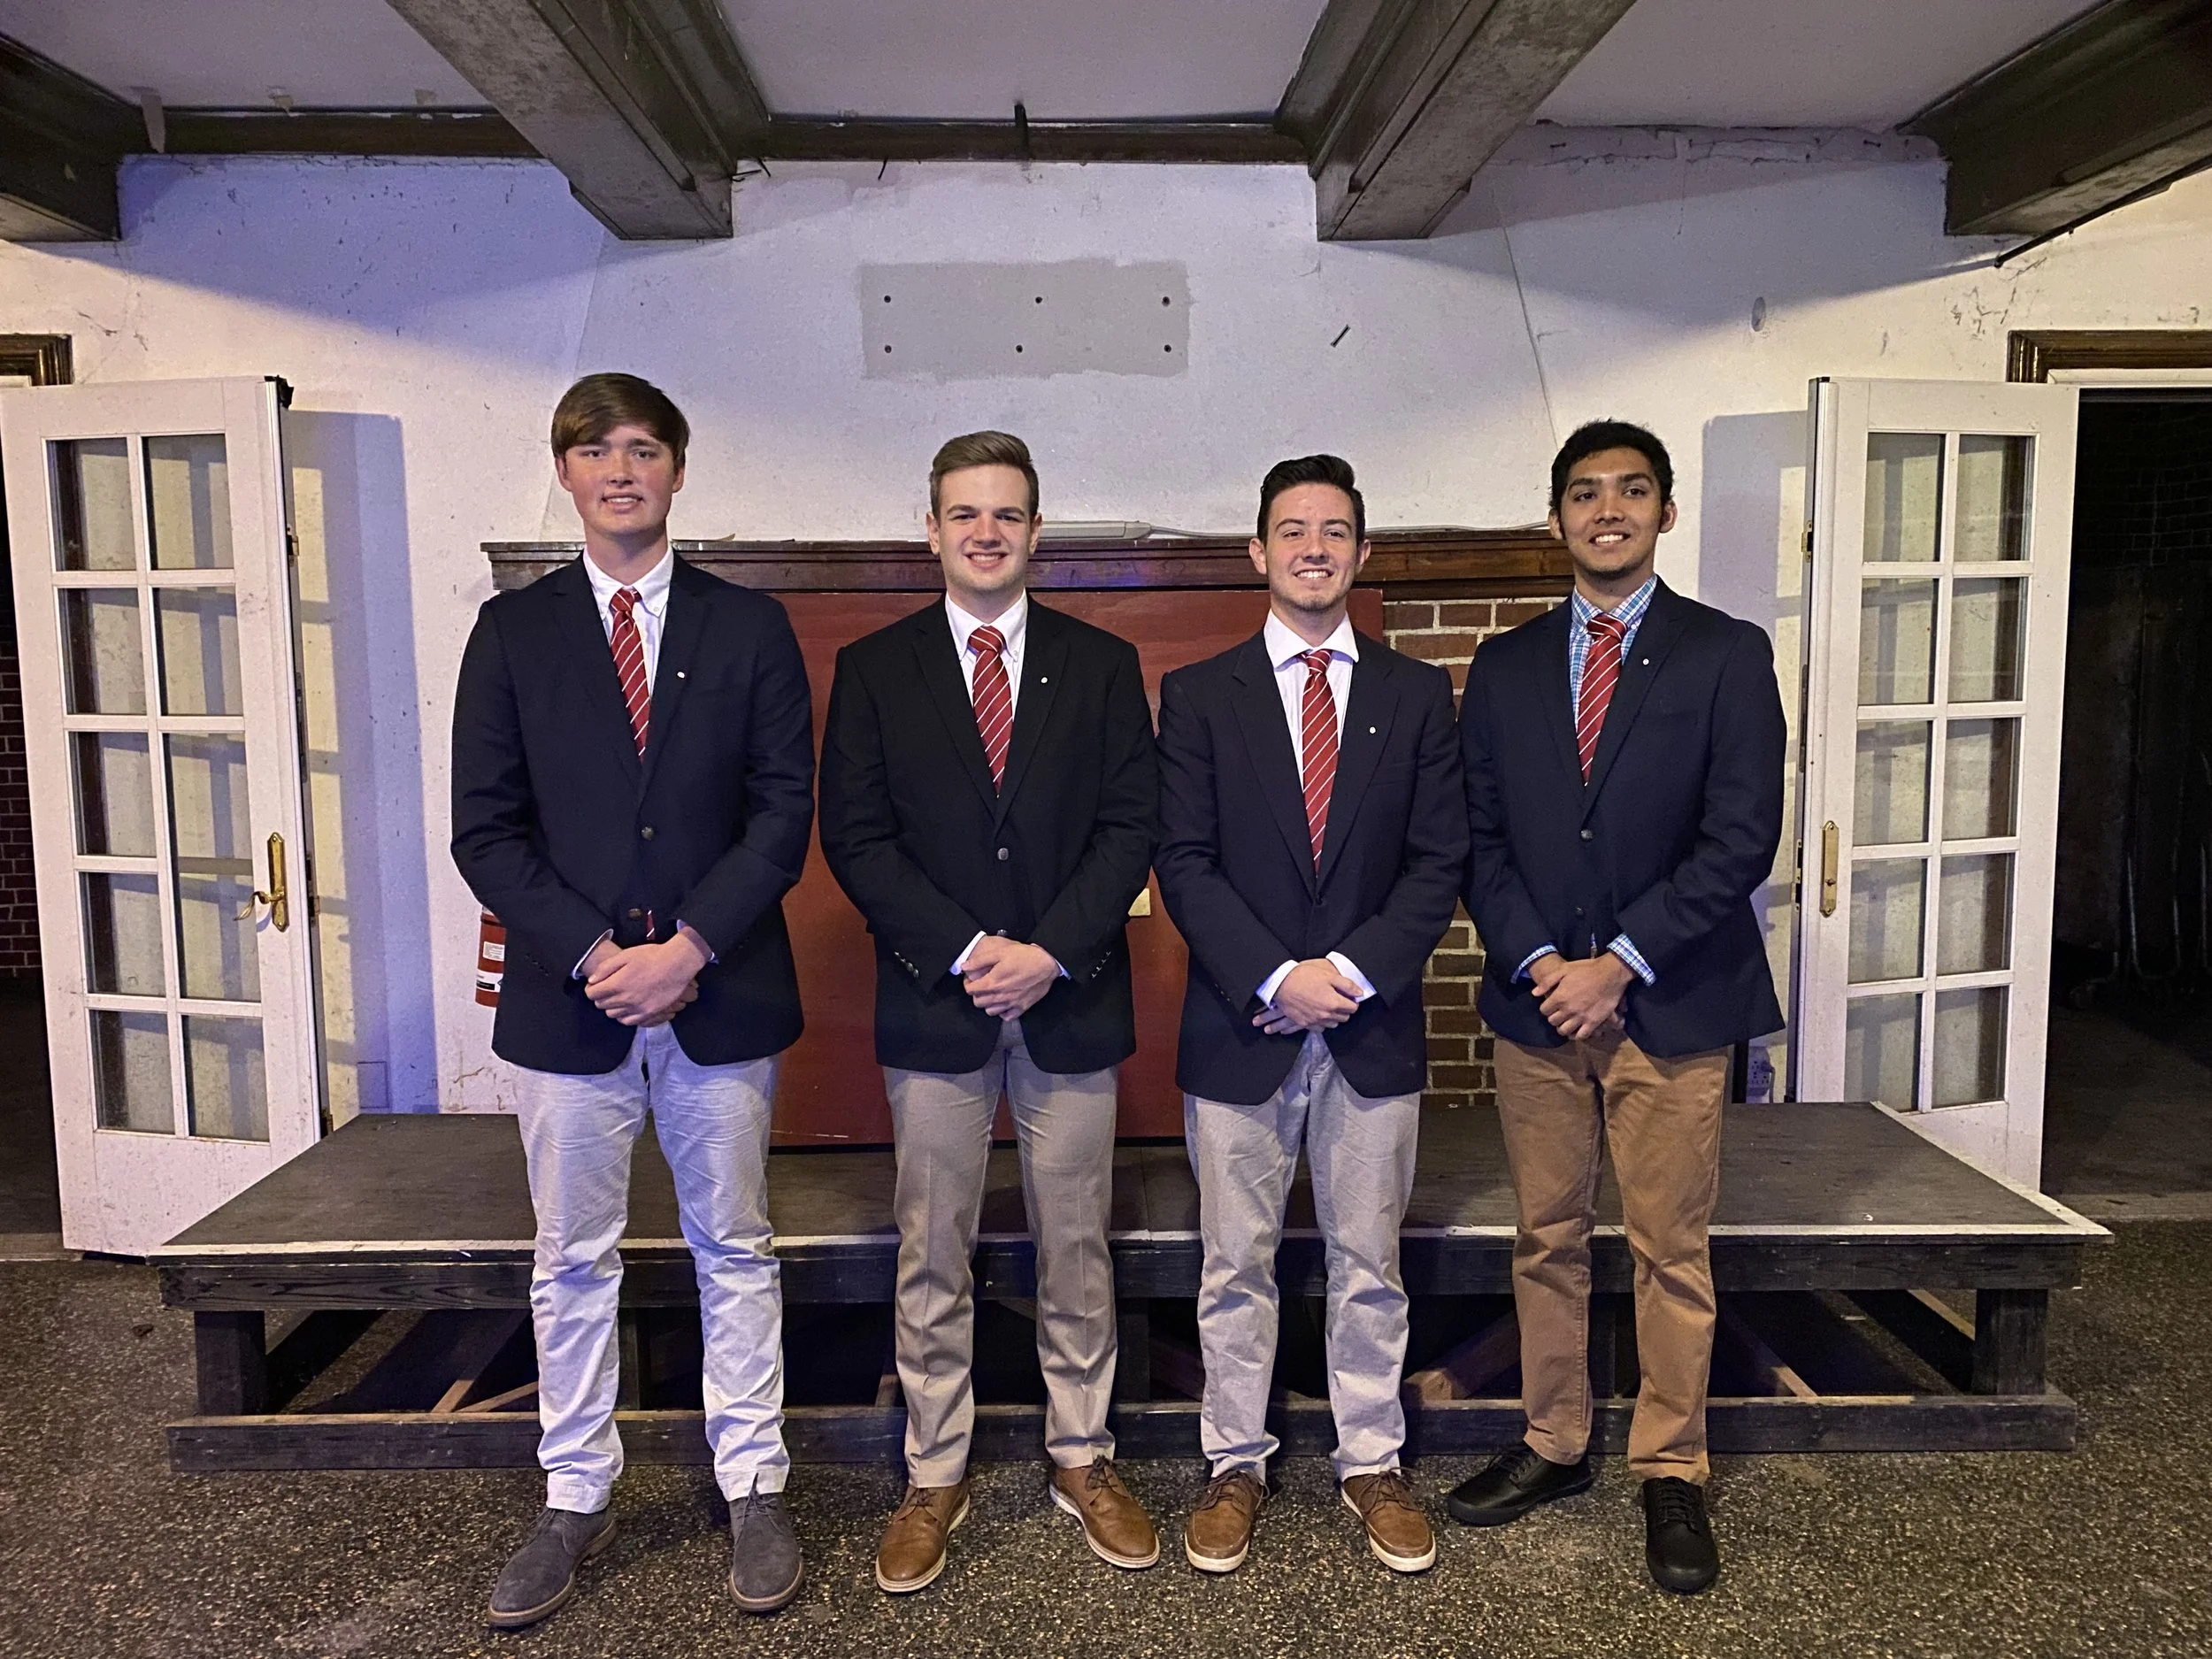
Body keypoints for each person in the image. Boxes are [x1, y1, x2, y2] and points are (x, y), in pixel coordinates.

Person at [450, 373, 815, 1626]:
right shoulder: (513, 632)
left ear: (676, 469)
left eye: (645, 448)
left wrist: (693, 944)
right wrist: (601, 952)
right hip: (571, 1004)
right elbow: (484, 831)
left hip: (720, 991)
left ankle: (755, 1476)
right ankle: (573, 1488)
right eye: (596, 448)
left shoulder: (747, 626)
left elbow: (782, 813)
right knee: (572, 1257)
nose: (621, 468)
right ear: (565, 472)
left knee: (737, 1244)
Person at [818, 431, 1161, 1594]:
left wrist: (1048, 950)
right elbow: (855, 838)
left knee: (1077, 1245)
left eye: (1006, 513)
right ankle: (936, 1468)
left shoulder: (1101, 664)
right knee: (934, 1250)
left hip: (1069, 999)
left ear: (1035, 529)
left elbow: (1130, 828)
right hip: (937, 1000)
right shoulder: (875, 667)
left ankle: (1082, 1453)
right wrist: (971, 951)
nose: (985, 531)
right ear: (931, 528)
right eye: (964, 513)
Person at [1448, 419, 1786, 1594]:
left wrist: (1622, 959)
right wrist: (1546, 955)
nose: (1609, 510)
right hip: (1537, 1001)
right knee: (1546, 1233)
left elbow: (1742, 833)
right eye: (1585, 493)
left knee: (1668, 1244)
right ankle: (1553, 1439)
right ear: (1556, 519)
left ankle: (1672, 1467)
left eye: (1632, 491)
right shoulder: (1502, 665)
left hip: (1673, 999)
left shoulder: (1725, 653)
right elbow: (1478, 836)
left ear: (1664, 513)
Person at [1155, 455, 1467, 1576]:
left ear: (1362, 554)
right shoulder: (1198, 694)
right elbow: (1182, 864)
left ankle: (1370, 1460)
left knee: (1367, 1258)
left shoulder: (1416, 694)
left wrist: (1349, 971)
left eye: (1335, 531)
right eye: (1292, 530)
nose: (1313, 549)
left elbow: (1438, 863)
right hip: (1240, 1029)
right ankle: (1233, 1462)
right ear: (1257, 552)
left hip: (1370, 1029)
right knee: (1232, 1262)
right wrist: (1275, 977)